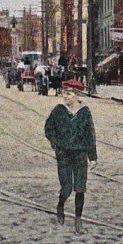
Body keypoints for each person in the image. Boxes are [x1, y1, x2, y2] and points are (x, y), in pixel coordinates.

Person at [44, 79, 97, 234]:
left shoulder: (85, 113)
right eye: (64, 93)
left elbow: (90, 135)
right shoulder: (58, 110)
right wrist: (56, 143)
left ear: (78, 95)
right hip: (64, 154)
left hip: (80, 154)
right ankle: (60, 205)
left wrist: (92, 157)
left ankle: (78, 221)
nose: (65, 97)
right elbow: (48, 129)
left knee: (80, 188)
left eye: (69, 94)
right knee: (66, 188)